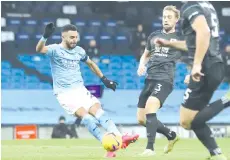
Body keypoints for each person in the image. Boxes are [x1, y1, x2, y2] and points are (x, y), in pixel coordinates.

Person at [35, 23, 139, 158]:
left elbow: (90, 63)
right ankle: (108, 146)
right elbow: (39, 49)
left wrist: (104, 79)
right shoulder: (55, 49)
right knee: (86, 115)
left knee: (98, 110)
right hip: (64, 94)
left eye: (76, 37)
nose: (74, 40)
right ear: (63, 37)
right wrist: (45, 36)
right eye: (71, 37)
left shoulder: (79, 50)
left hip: (80, 89)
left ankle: (120, 138)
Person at [155, 2, 230, 160]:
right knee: (192, 121)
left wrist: (196, 65)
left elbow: (204, 33)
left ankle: (227, 100)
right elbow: (196, 41)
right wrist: (170, 43)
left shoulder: (190, 6)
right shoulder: (207, 5)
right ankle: (216, 154)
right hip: (215, 66)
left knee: (186, 120)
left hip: (204, 68)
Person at [136, 5, 182, 156]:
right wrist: (141, 65)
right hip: (149, 79)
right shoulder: (154, 36)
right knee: (141, 119)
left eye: (169, 17)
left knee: (151, 107)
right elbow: (145, 54)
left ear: (176, 20)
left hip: (165, 80)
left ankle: (150, 148)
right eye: (164, 16)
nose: (166, 19)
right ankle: (171, 135)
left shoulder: (180, 39)